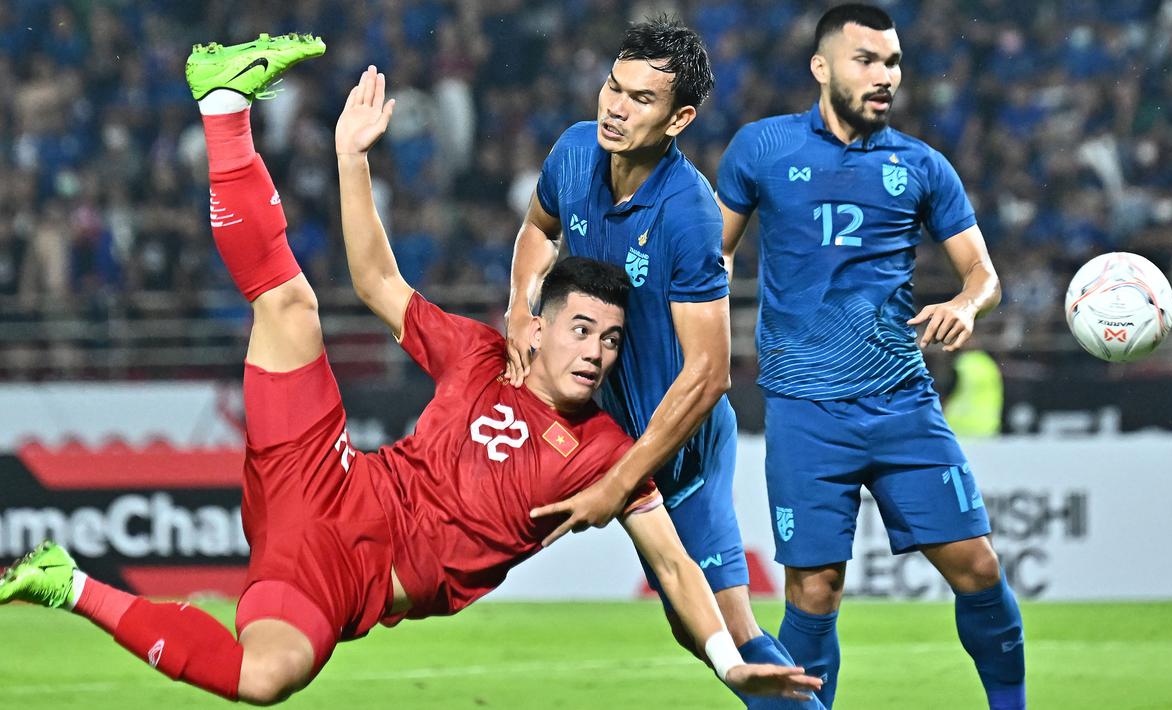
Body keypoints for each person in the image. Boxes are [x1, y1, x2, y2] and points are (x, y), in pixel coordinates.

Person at [0, 34, 821, 706]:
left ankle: (64, 584)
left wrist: (722, 659)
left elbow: (674, 564)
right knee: (289, 309)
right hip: (323, 478)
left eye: (608, 342)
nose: (596, 353)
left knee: (263, 678)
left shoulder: (606, 450)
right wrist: (351, 160)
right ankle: (224, 106)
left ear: (677, 118)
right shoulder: (479, 353)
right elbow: (378, 283)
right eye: (581, 332)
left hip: (343, 576)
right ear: (540, 327)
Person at [503, 16, 820, 709]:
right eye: (613, 87)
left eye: (640, 99)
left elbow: (707, 374)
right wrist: (519, 314)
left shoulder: (689, 214)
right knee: (694, 629)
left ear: (679, 117)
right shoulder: (571, 153)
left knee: (724, 630)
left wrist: (621, 478)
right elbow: (537, 228)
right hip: (610, 437)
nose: (615, 107)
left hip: (677, 448)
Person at [715, 5, 1025, 709]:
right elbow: (711, 257)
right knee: (814, 588)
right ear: (821, 68)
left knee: (977, 567)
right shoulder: (761, 149)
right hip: (803, 405)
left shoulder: (920, 165)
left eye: (892, 63)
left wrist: (963, 305)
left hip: (901, 403)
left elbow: (984, 275)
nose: (884, 76)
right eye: (866, 60)